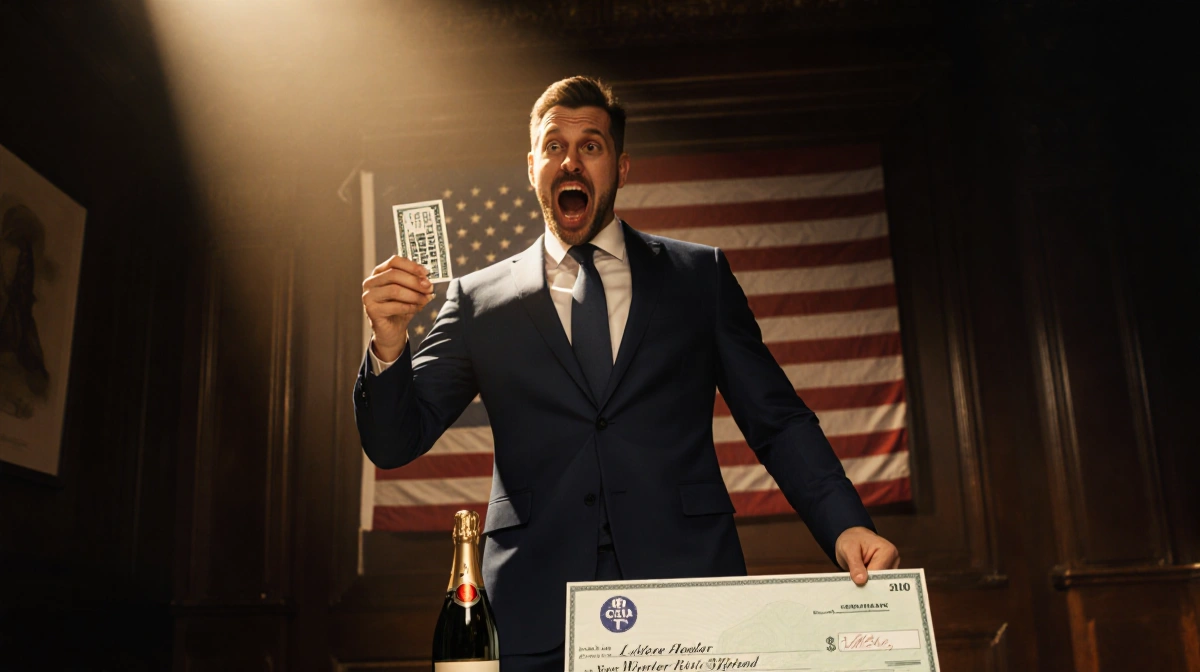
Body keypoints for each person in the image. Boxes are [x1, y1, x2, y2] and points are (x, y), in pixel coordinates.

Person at [355, 76, 899, 671]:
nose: (571, 159)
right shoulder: (477, 300)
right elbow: (393, 442)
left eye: (591, 146)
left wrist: (846, 526)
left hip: (690, 598)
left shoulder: (700, 278)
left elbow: (778, 421)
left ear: (621, 166)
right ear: (531, 165)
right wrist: (389, 341)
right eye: (554, 145)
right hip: (535, 610)